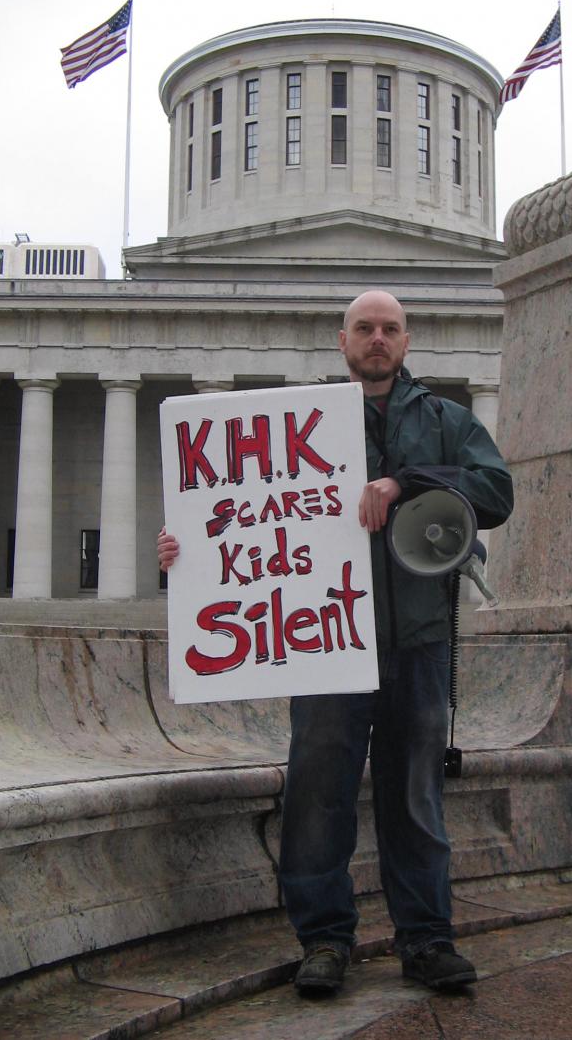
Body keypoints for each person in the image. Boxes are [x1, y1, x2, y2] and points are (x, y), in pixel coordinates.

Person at [158, 290, 513, 995]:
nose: (377, 339)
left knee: (416, 797)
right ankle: (324, 940)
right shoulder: (295, 426)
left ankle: (427, 940)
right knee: (318, 795)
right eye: (364, 329)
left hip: (415, 642)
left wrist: (405, 481)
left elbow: (496, 491)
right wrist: (184, 552)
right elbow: (239, 518)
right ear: (341, 339)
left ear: (407, 342)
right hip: (324, 642)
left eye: (389, 329)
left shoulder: (446, 422)